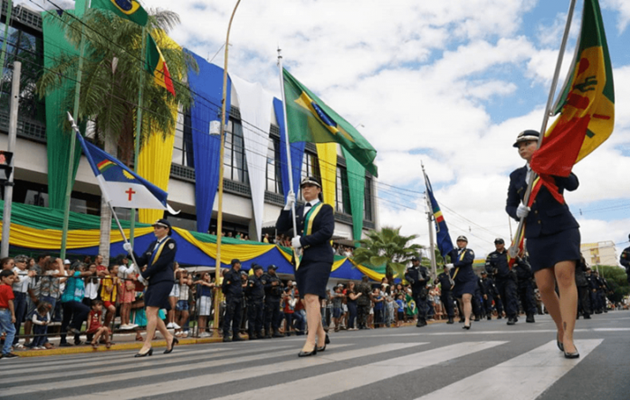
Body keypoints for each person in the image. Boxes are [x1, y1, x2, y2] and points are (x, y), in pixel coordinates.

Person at [506, 129, 581, 358]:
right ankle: (560, 327)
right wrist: (517, 212)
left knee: (564, 275)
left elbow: (572, 183)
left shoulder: (552, 162)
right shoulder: (517, 176)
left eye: (527, 143)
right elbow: (510, 205)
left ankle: (568, 336)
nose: (522, 148)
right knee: (545, 286)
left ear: (541, 144)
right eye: (519, 145)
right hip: (536, 234)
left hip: (562, 228)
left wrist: (554, 162)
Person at [276, 176, 334, 357]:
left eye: (310, 186)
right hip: (301, 259)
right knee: (306, 300)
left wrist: (302, 240)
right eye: (304, 186)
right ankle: (321, 334)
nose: (306, 189)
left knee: (311, 297)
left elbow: (326, 232)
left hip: (319, 257)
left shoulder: (325, 209)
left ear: (319, 190)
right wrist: (287, 207)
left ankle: (310, 341)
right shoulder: (298, 210)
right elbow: (280, 227)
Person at [124, 219, 178, 357]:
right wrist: (131, 252)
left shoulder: (170, 243)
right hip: (153, 281)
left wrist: (144, 275)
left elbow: (161, 263)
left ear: (166, 229)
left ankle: (147, 344)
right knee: (151, 312)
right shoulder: (153, 244)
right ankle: (169, 338)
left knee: (150, 310)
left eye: (158, 227)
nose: (155, 229)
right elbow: (141, 261)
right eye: (155, 227)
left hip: (164, 279)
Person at [485, 238, 519, 325]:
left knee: (510, 296)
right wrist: (493, 270)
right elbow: (487, 267)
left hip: (509, 278)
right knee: (503, 298)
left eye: (500, 243)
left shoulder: (509, 253)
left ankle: (512, 315)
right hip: (498, 279)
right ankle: (510, 314)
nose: (498, 245)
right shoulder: (491, 255)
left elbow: (517, 262)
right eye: (496, 243)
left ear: (503, 244)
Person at [447, 235, 477, 329]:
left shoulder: (469, 252)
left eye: (463, 241)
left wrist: (453, 265)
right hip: (457, 280)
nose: (461, 243)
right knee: (460, 301)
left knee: (466, 298)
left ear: (466, 243)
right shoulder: (453, 252)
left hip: (468, 279)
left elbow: (467, 261)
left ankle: (467, 321)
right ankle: (468, 315)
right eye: (459, 241)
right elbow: (444, 248)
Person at [222, 259, 245, 342]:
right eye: (239, 263)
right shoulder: (229, 274)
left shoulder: (239, 274)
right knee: (229, 315)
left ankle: (236, 334)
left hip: (239, 297)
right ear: (235, 264)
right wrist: (228, 294)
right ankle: (226, 334)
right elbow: (225, 286)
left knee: (238, 316)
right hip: (232, 297)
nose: (240, 265)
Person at [404, 256, 430, 327]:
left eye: (415, 261)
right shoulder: (409, 269)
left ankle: (420, 320)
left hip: (422, 289)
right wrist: (410, 280)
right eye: (413, 261)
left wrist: (424, 279)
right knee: (418, 305)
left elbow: (428, 277)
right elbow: (406, 276)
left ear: (419, 261)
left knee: (422, 305)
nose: (414, 262)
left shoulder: (424, 269)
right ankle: (423, 320)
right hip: (414, 289)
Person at [513, 255, 537, 323]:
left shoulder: (527, 259)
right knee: (522, 299)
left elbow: (530, 269)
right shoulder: (512, 260)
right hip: (517, 282)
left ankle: (531, 315)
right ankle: (525, 313)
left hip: (527, 281)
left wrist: (520, 261)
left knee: (529, 298)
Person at [0, 269, 19, 359]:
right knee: (11, 331)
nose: (12, 280)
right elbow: (10, 302)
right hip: (4, 311)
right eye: (10, 278)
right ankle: (6, 351)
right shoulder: (7, 288)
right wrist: (13, 314)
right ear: (3, 278)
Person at [261, 265, 283, 338]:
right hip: (269, 298)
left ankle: (275, 330)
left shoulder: (276, 277)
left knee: (276, 315)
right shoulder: (265, 276)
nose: (274, 271)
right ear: (269, 269)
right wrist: (271, 285)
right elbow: (262, 287)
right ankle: (267, 332)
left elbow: (280, 285)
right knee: (268, 316)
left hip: (276, 298)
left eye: (274, 269)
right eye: (273, 269)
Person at [245, 264, 265, 340]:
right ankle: (252, 333)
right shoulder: (252, 279)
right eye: (261, 270)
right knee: (252, 318)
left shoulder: (260, 279)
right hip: (253, 301)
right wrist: (251, 297)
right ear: (257, 271)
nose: (262, 271)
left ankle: (258, 332)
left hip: (260, 301)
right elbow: (248, 290)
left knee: (259, 318)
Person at [194, 272, 214, 338]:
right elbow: (200, 283)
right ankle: (201, 331)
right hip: (202, 298)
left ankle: (204, 330)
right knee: (201, 315)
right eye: (206, 275)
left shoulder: (209, 283)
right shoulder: (201, 282)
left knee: (205, 316)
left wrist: (208, 282)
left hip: (208, 298)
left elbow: (212, 285)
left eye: (208, 275)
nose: (208, 276)